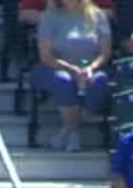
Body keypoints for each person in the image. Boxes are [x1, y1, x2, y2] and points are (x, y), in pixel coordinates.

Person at [33, 0, 113, 151]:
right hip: (55, 67)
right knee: (63, 80)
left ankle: (67, 130)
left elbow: (105, 53)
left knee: (99, 81)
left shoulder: (98, 16)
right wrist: (71, 69)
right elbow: (46, 56)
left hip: (91, 68)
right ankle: (74, 133)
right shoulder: (49, 17)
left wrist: (90, 68)